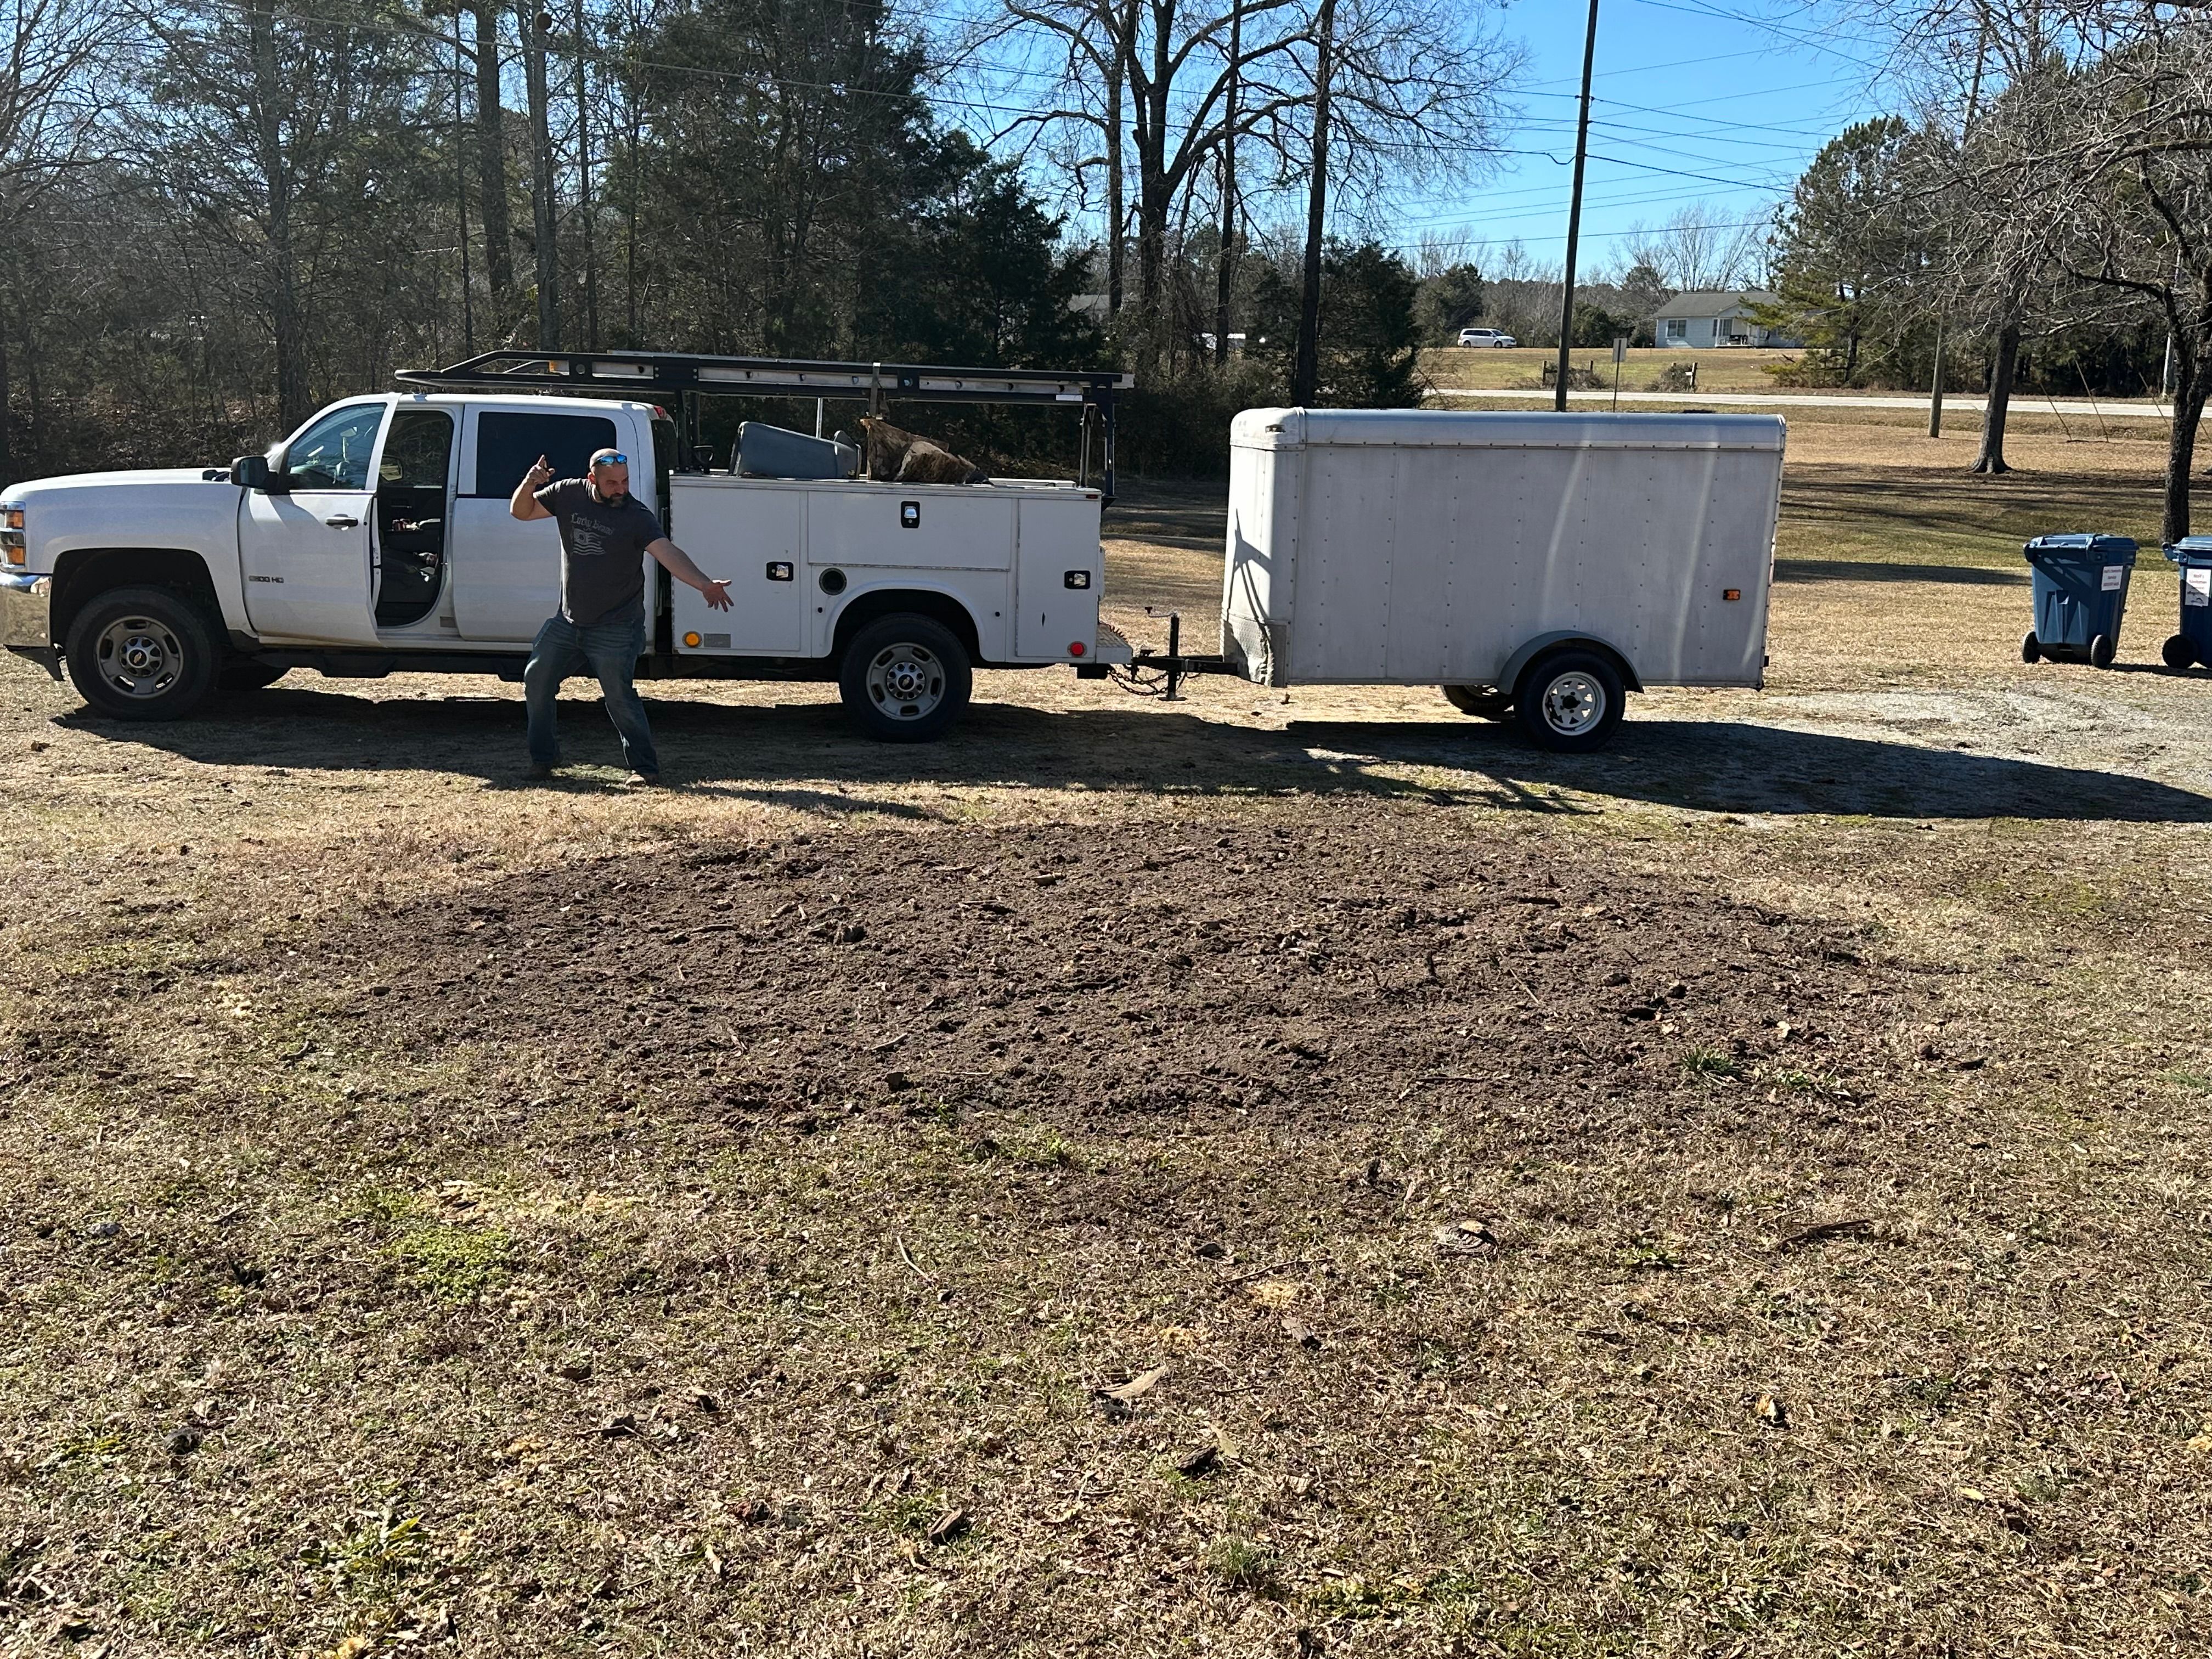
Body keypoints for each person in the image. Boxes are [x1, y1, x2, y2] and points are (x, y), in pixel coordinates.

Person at [509, 447, 732, 785]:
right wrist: (529, 483)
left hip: (617, 625)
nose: (620, 488)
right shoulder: (568, 494)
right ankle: (544, 759)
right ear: (592, 480)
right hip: (568, 621)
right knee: (536, 679)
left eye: (624, 481)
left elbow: (667, 552)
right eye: (612, 483)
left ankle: (645, 769)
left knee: (618, 695)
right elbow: (521, 513)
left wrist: (703, 584)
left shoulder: (636, 516)